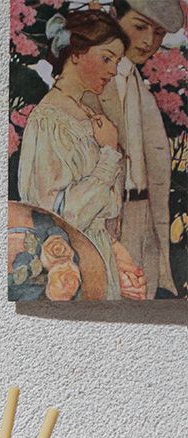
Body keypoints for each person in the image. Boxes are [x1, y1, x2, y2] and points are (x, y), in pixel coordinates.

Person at [19, 10, 146, 299]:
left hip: (99, 254)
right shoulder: (49, 120)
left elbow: (101, 212)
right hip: (74, 261)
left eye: (117, 62)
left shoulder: (87, 115)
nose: (113, 71)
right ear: (76, 53)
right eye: (106, 58)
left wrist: (119, 255)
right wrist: (109, 154)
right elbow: (59, 215)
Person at [96, 0, 185, 297]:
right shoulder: (94, 81)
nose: (148, 41)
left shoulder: (137, 84)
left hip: (144, 212)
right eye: (139, 27)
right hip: (107, 216)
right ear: (114, 17)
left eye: (158, 33)